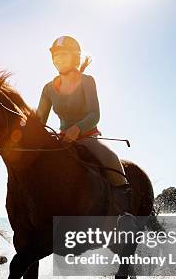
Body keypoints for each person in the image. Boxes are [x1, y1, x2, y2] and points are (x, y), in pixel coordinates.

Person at [36, 35, 133, 217]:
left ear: (74, 57)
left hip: (89, 137)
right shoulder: (48, 88)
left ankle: (124, 215)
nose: (57, 59)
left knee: (111, 158)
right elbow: (40, 120)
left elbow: (94, 115)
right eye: (55, 56)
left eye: (62, 55)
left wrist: (77, 129)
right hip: (62, 139)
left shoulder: (87, 81)